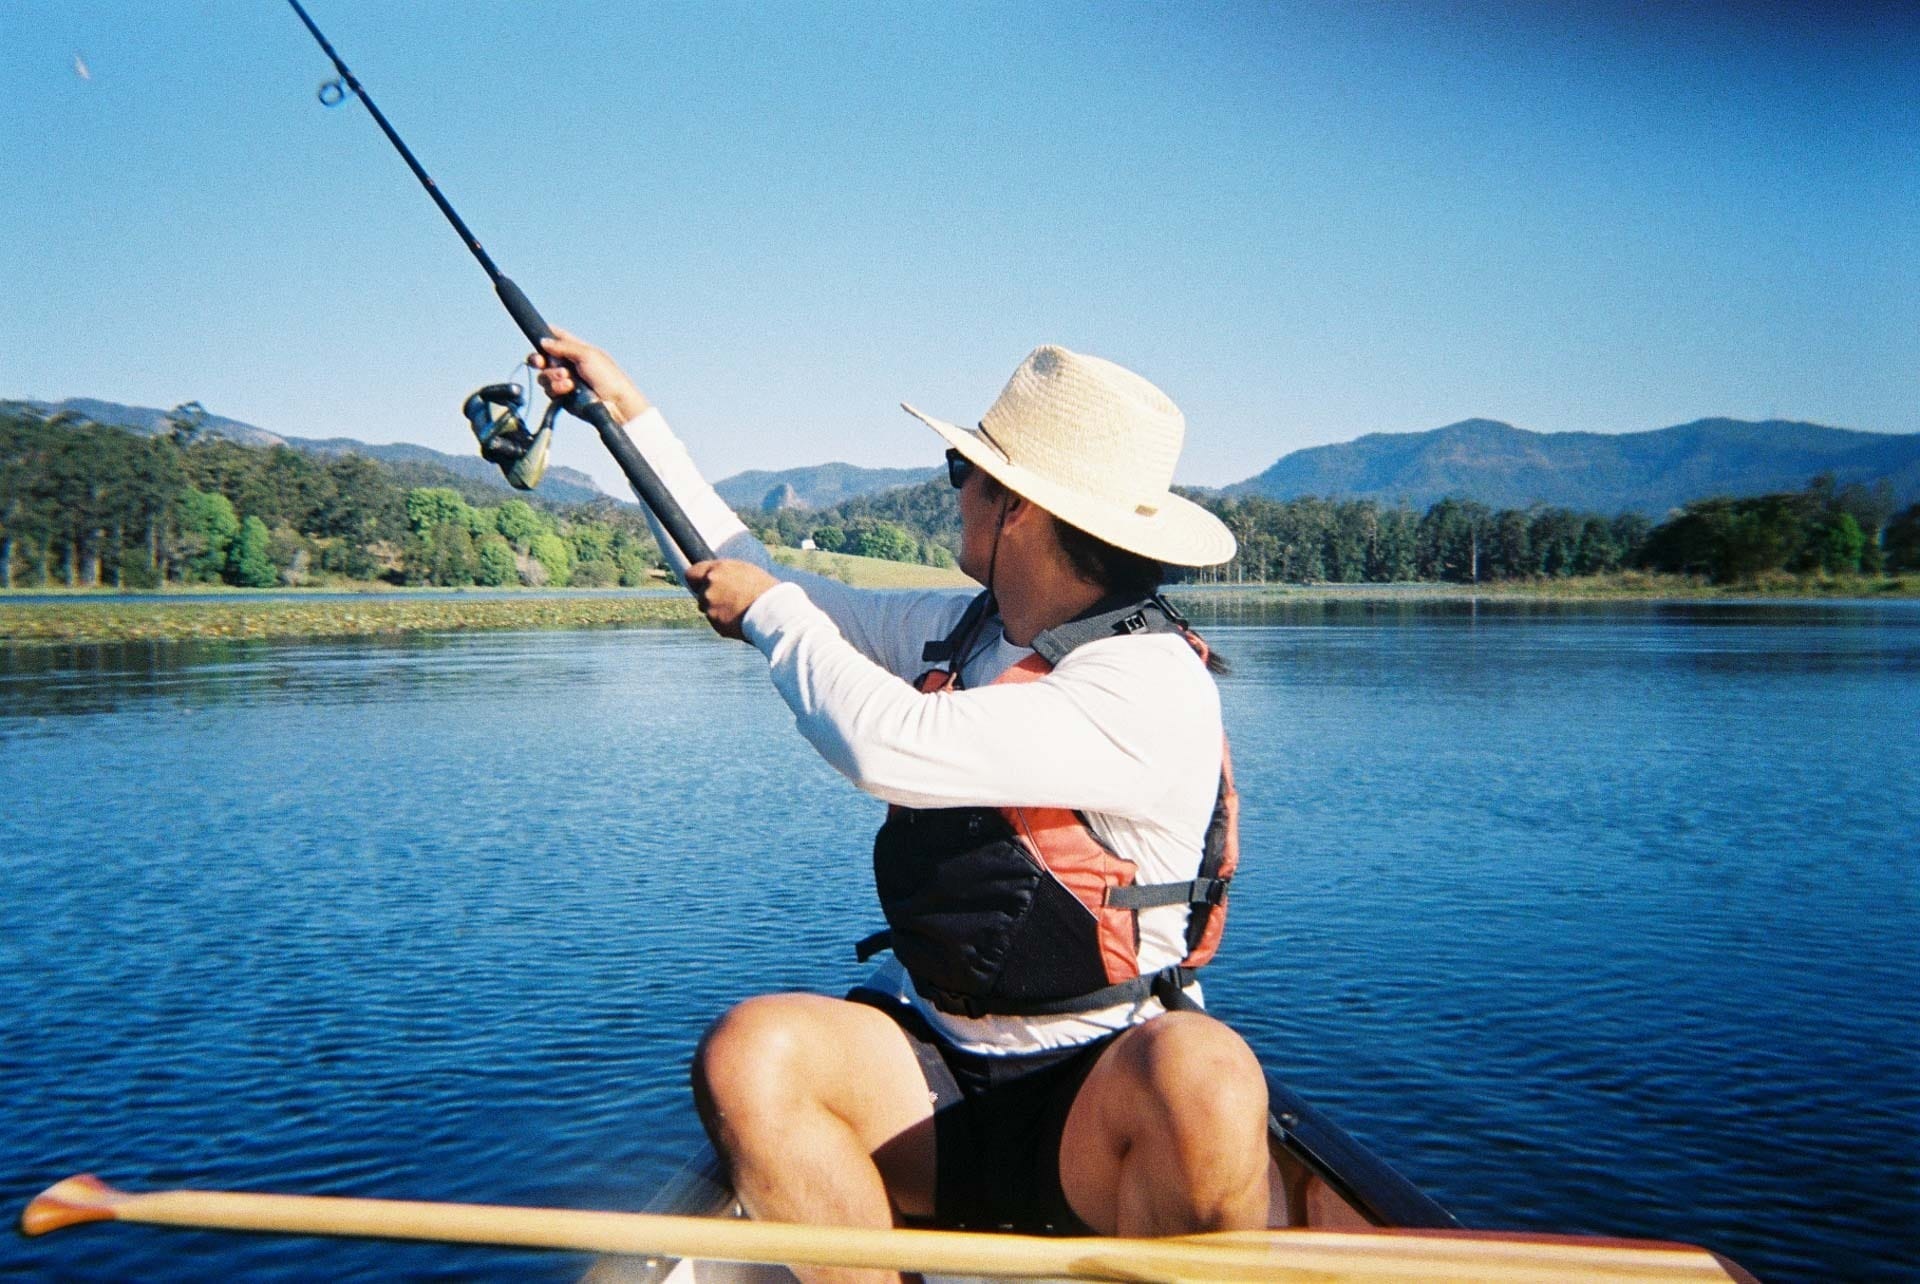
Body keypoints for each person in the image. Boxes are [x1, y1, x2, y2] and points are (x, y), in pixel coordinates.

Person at [535, 334, 1272, 1282]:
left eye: (964, 469)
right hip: (939, 1082)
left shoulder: (1150, 685)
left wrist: (770, 613)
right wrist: (628, 417)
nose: (953, 488)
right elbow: (762, 576)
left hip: (1099, 1105)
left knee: (1206, 1076)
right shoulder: (971, 631)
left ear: (1020, 508)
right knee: (751, 1053)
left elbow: (886, 742)